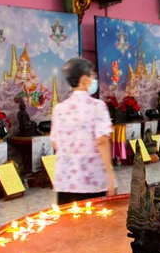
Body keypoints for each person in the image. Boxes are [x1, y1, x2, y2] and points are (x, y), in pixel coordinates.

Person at [50, 58, 116, 205]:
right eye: (92, 75)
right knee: (92, 225)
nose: (94, 79)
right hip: (91, 179)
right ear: (84, 79)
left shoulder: (59, 109)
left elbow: (55, 143)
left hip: (65, 180)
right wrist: (110, 174)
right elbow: (102, 141)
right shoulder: (97, 106)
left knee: (69, 224)